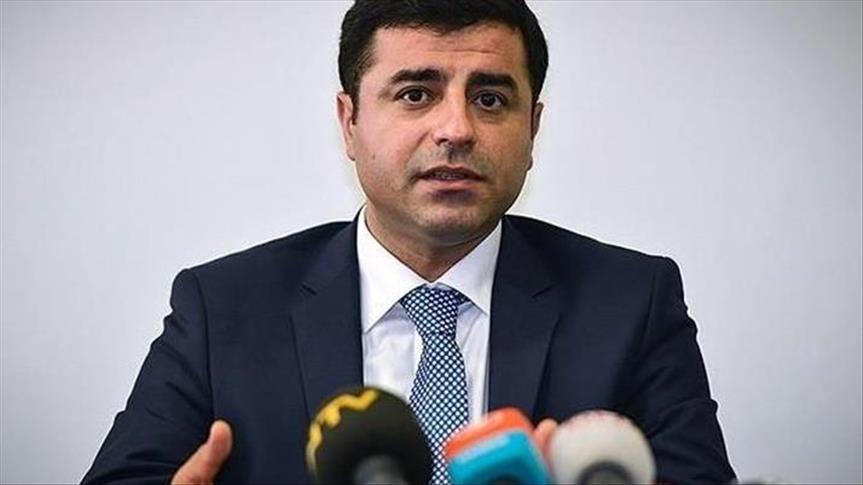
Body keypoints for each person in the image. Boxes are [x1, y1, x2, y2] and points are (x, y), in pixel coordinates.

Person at [83, 1, 735, 484]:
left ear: (532, 128)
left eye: (489, 99)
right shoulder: (223, 307)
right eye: (416, 93)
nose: (456, 129)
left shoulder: (631, 303)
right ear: (349, 121)